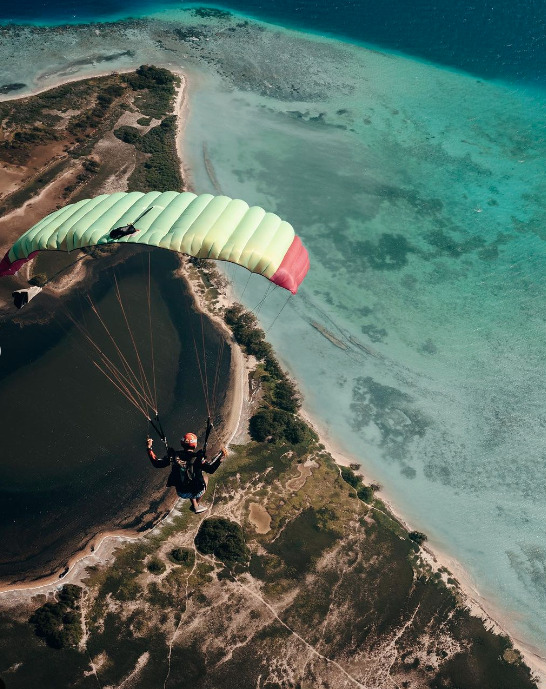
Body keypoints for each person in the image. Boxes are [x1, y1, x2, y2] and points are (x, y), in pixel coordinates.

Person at [146, 432, 227, 514]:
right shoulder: (198, 458)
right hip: (197, 491)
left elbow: (156, 463)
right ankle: (196, 504)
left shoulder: (174, 457)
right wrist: (221, 458)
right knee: (205, 478)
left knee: (188, 479)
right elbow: (211, 470)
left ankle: (195, 505)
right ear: (195, 445)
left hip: (182, 492)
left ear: (182, 444)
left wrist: (149, 448)